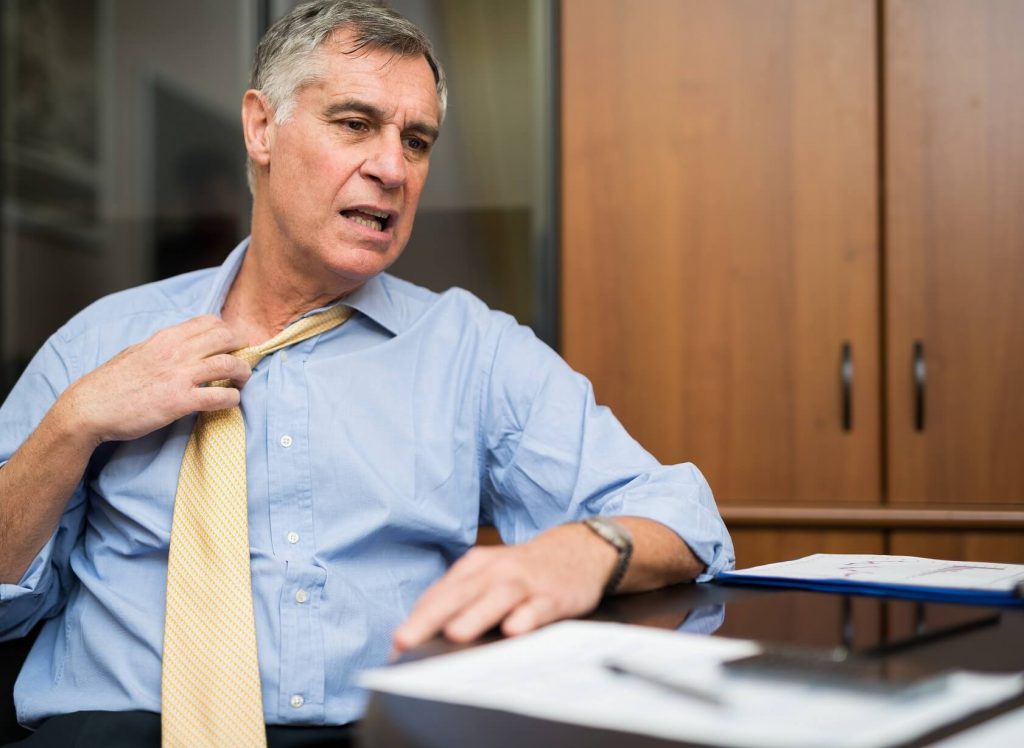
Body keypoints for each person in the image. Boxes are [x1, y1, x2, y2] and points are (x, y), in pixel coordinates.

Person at [0, 1, 733, 745]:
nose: (392, 168)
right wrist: (72, 424)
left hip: (379, 730)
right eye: (355, 124)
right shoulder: (98, 345)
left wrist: (579, 550)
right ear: (261, 128)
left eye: (416, 141)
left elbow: (686, 517)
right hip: (112, 730)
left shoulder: (469, 348)